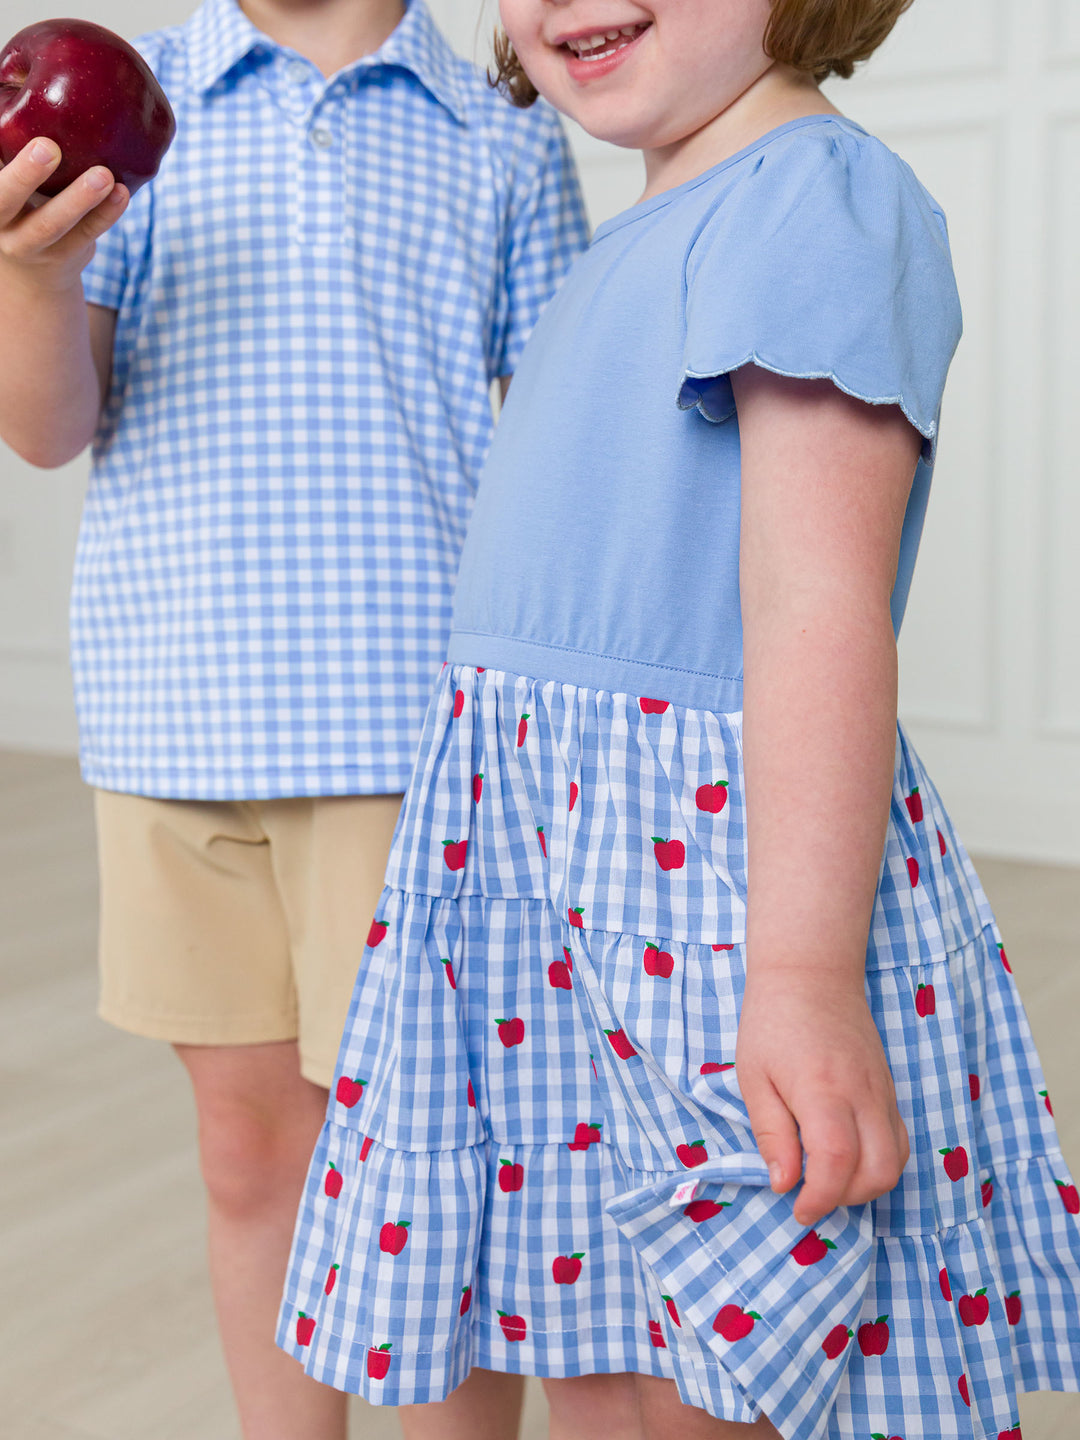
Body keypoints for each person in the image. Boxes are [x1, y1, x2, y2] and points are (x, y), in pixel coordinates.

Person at [276, 0, 1080, 1437]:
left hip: (704, 882)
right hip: (542, 871)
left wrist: (802, 973)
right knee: (593, 1309)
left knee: (748, 1339)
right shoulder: (634, 225)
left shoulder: (816, 199)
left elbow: (816, 604)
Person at [0, 1, 588, 1436]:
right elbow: (44, 426)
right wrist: (29, 276)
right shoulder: (145, 110)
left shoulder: (501, 127)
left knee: (435, 1164)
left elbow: (565, 437)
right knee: (248, 1154)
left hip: (411, 730)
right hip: (177, 721)